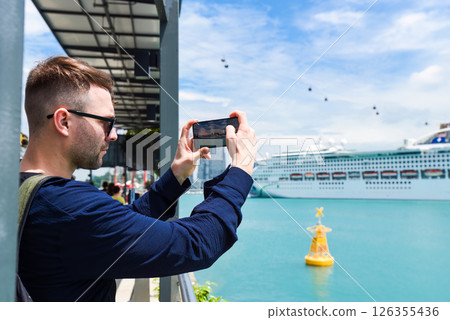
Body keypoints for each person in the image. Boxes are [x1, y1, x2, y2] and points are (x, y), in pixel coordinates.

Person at [19, 56, 257, 302]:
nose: (113, 135)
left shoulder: (21, 192)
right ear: (64, 121)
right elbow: (196, 244)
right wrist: (241, 168)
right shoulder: (70, 208)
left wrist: (176, 176)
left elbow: (123, 223)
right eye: (106, 123)